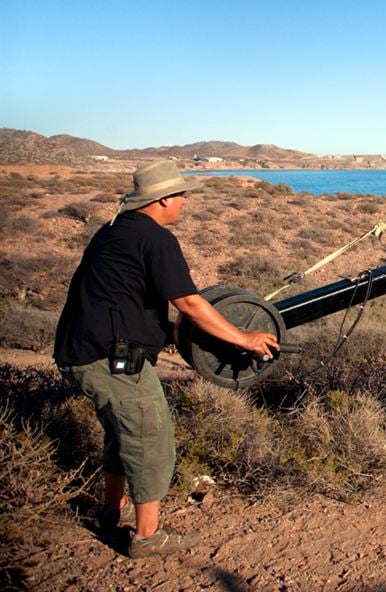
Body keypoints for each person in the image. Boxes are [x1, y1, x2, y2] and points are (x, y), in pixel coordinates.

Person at [53, 160, 279, 559]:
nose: (184, 204)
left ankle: (112, 511)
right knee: (150, 438)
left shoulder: (112, 231)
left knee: (120, 434)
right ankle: (147, 536)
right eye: (181, 197)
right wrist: (243, 337)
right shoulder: (156, 240)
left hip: (79, 351)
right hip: (112, 359)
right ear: (162, 200)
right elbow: (189, 302)